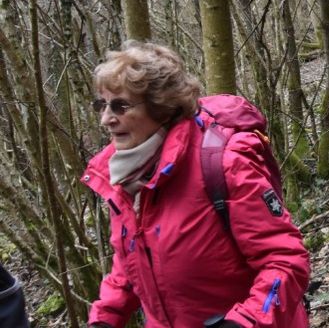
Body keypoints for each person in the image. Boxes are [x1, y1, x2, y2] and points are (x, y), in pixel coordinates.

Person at [83, 42, 310, 328]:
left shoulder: (224, 164)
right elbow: (133, 259)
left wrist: (244, 322)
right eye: (101, 105)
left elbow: (285, 260)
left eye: (120, 106)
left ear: (161, 107)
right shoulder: (122, 179)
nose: (106, 119)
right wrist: (106, 317)